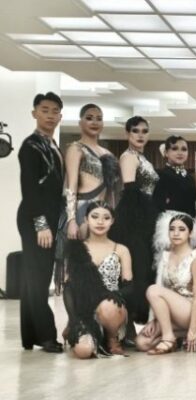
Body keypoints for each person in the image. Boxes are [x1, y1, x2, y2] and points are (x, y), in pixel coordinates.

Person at [16, 92, 65, 353]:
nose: (50, 115)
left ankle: (30, 336)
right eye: (44, 110)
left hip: (50, 217)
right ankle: (46, 336)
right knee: (38, 278)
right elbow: (30, 188)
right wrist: (40, 224)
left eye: (55, 111)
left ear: (61, 116)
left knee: (34, 278)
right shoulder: (31, 146)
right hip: (36, 219)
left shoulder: (52, 144)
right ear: (34, 113)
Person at [54, 104, 120, 289]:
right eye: (89, 118)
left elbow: (112, 191)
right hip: (82, 211)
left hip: (104, 212)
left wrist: (113, 217)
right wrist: (71, 220)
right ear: (80, 122)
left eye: (99, 118)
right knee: (81, 265)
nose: (94, 122)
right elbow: (71, 186)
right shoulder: (76, 149)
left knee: (102, 262)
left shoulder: (107, 153)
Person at [63, 202, 131, 358]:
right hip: (85, 311)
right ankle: (83, 332)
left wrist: (116, 295)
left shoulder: (121, 249)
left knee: (108, 305)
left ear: (112, 221)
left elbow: (130, 286)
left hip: (112, 309)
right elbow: (68, 288)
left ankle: (112, 339)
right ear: (86, 219)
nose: (100, 222)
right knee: (84, 352)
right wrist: (73, 321)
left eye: (106, 218)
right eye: (95, 217)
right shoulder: (76, 248)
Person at [110, 116, 159, 326]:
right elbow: (130, 192)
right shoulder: (128, 157)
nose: (140, 135)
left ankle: (139, 318)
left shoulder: (142, 157)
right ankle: (130, 318)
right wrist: (144, 220)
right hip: (135, 218)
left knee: (144, 266)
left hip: (146, 215)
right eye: (135, 131)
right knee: (138, 265)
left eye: (144, 131)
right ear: (127, 134)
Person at [135, 215, 196, 355]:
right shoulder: (165, 256)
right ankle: (177, 336)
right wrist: (153, 320)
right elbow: (160, 286)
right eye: (172, 229)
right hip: (170, 310)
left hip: (192, 309)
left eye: (181, 229)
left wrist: (193, 329)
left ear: (190, 233)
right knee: (142, 342)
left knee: (152, 290)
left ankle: (168, 337)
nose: (176, 233)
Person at [153, 135, 196, 256]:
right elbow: (157, 205)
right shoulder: (160, 174)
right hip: (169, 227)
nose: (180, 152)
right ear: (166, 153)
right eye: (174, 148)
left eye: (184, 149)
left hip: (188, 225)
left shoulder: (190, 177)